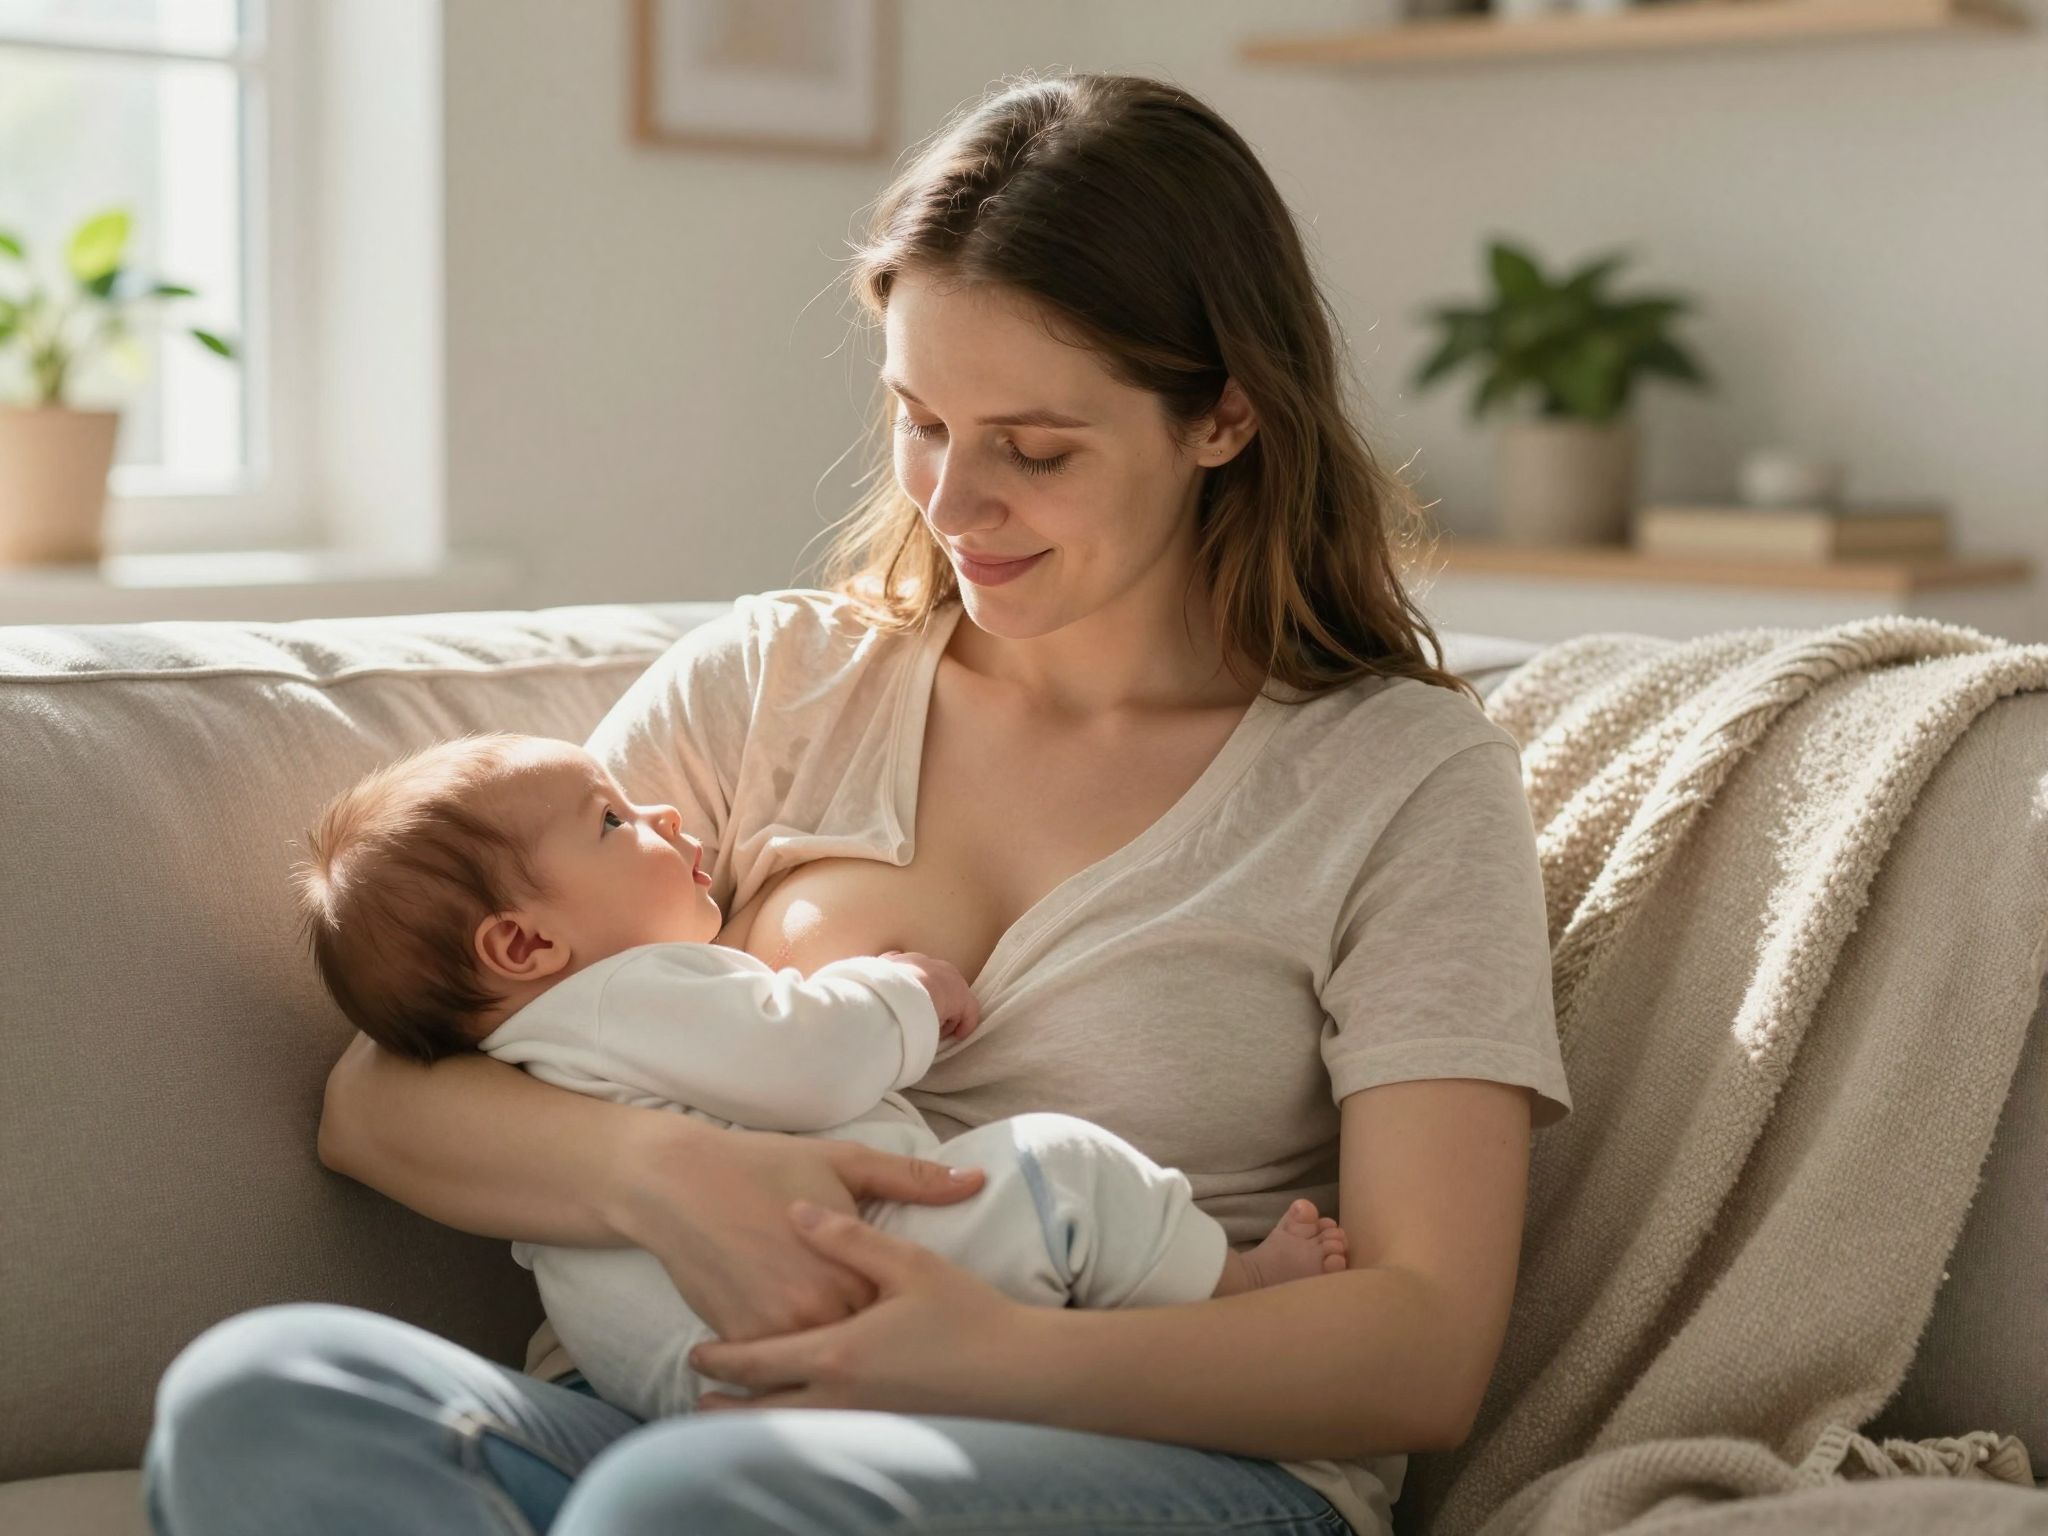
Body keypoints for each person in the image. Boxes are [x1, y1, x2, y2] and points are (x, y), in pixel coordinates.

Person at [143, 69, 1571, 1536]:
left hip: (1164, 1458)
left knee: (698, 1502)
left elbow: (1421, 1350)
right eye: (921, 420)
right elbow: (379, 1103)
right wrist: (665, 1175)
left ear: (1223, 418)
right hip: (682, 1415)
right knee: (264, 1392)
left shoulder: (1399, 780)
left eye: (1035, 447)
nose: (954, 504)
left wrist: (1006, 1358)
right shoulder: (775, 685)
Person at [283, 729, 1350, 1421]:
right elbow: (801, 1057)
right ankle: (1236, 1288)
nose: (656, 814)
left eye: (1036, 445)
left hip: (670, 1375)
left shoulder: (539, 1040)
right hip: (829, 1287)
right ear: (522, 948)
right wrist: (896, 992)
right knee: (1064, 1175)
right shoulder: (633, 991)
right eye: (613, 819)